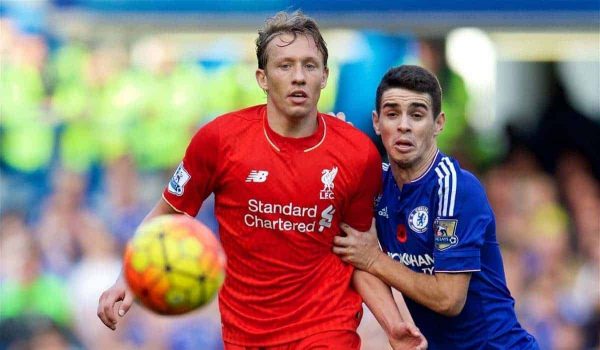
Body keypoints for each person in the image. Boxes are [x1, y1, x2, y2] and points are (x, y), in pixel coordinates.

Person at [97, 12, 426, 350]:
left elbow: (360, 254)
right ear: (262, 77)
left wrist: (395, 327)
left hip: (326, 329)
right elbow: (167, 215)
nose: (299, 77)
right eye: (285, 66)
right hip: (247, 334)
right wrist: (128, 277)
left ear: (325, 76)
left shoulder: (358, 153)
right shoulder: (219, 140)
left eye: (310, 66)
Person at [333, 65, 539, 349]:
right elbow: (351, 249)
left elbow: (449, 299)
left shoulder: (454, 187)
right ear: (377, 122)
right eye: (392, 114)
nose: (403, 125)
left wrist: (375, 260)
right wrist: (331, 145)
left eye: (416, 115)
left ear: (438, 123)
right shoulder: (374, 183)